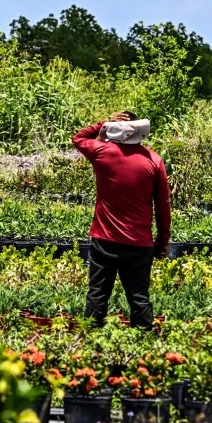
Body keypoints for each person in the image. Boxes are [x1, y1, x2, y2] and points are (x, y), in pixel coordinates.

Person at [72, 111, 171, 328]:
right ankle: (144, 347)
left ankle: (88, 348)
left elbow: (78, 138)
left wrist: (104, 122)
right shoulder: (153, 160)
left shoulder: (103, 152)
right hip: (139, 244)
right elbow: (163, 206)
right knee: (139, 298)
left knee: (97, 295)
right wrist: (163, 242)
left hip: (104, 240)